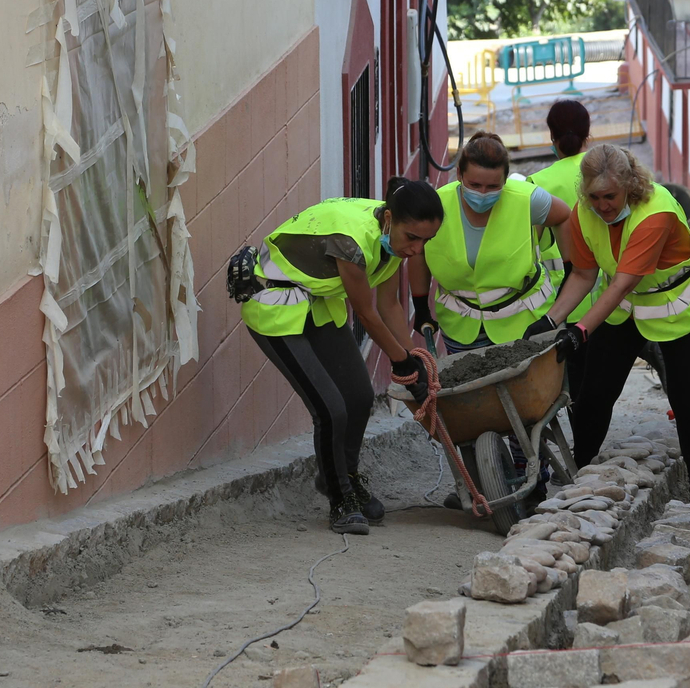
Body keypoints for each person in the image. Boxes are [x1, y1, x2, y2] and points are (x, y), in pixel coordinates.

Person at [239, 178, 444, 535]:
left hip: (316, 301)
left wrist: (415, 358)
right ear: (390, 219)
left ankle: (342, 475)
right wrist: (400, 361)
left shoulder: (392, 240)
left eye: (427, 241)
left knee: (359, 397)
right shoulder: (351, 242)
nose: (417, 248)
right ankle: (340, 498)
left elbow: (390, 304)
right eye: (413, 237)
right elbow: (367, 314)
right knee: (330, 408)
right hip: (274, 304)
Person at [525, 144, 690, 507]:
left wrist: (580, 331)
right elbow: (584, 274)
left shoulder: (655, 213)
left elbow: (622, 282)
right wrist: (550, 321)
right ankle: (581, 473)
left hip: (680, 304)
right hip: (627, 307)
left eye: (610, 196)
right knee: (593, 395)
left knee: (687, 401)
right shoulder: (583, 213)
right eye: (594, 196)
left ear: (630, 184)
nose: (603, 205)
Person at [410, 131, 572, 353]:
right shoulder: (436, 205)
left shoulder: (527, 199)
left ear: (505, 179)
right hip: (461, 329)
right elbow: (418, 252)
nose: (482, 194)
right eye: (474, 185)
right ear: (459, 174)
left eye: (493, 187)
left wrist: (570, 269)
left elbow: (564, 216)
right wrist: (420, 307)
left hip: (525, 324)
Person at [528, 100, 597, 393]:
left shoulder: (537, 185)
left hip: (564, 303)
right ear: (587, 136)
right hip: (614, 301)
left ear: (552, 138)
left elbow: (536, 246)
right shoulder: (609, 173)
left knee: (573, 387)